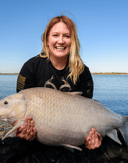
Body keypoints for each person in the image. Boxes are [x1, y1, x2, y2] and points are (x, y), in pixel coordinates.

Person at [15, 15, 101, 149]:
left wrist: (93, 136)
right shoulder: (30, 67)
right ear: (46, 39)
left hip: (72, 138)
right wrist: (20, 130)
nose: (60, 41)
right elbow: (19, 111)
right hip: (38, 142)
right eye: (55, 35)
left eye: (66, 36)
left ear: (73, 41)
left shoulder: (83, 72)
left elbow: (88, 113)